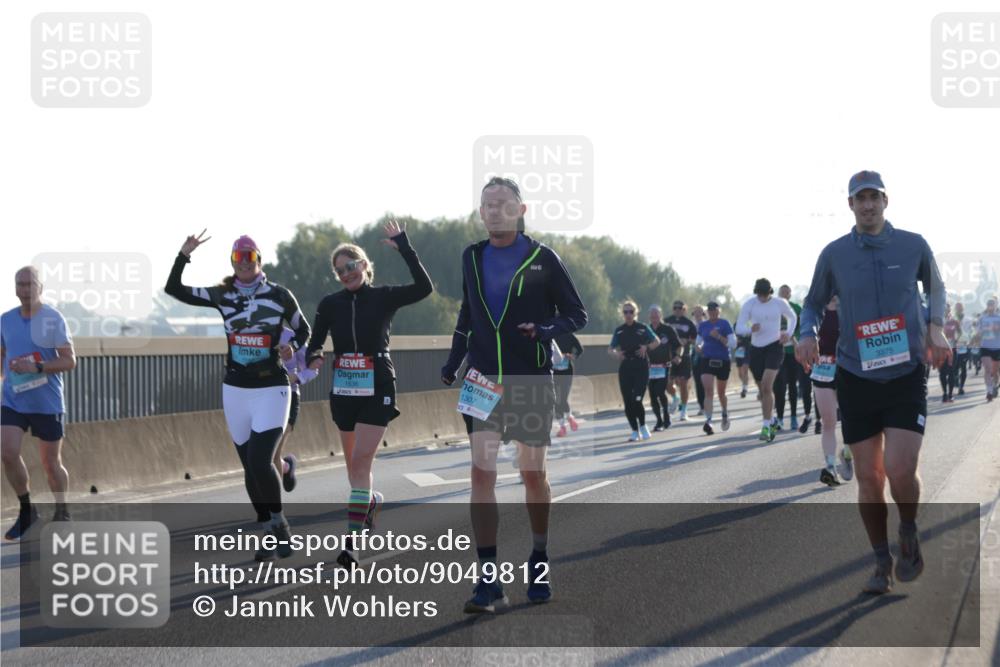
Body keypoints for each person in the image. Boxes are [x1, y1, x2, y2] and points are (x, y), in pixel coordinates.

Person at [797, 170, 951, 595]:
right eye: (860, 198)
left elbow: (937, 288)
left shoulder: (913, 245)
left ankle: (908, 529)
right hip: (856, 374)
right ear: (850, 205)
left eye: (874, 197)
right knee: (869, 477)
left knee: (901, 469)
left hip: (904, 373)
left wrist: (935, 327)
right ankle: (881, 562)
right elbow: (811, 304)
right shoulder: (834, 254)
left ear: (886, 201)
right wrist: (805, 333)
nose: (868, 205)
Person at [441, 176, 587, 613]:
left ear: (521, 210)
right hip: (482, 380)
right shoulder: (471, 256)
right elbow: (467, 314)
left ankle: (538, 559)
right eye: (486, 204)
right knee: (480, 475)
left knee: (531, 475)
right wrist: (454, 360)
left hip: (529, 379)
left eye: (503, 203)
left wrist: (544, 331)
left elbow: (576, 313)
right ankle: (489, 580)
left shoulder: (543, 259)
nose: (493, 210)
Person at [166, 231, 310, 561]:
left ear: (259, 261)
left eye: (250, 257)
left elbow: (304, 329)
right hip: (235, 389)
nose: (244, 264)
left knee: (261, 461)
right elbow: (175, 290)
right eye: (238, 258)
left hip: (272, 387)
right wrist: (183, 254)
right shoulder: (223, 294)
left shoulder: (279, 295)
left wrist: (293, 346)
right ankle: (267, 532)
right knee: (249, 467)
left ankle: (280, 524)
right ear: (232, 263)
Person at [306, 220, 433, 568]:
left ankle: (352, 544)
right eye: (339, 271)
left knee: (362, 462)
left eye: (350, 266)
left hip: (378, 385)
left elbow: (424, 288)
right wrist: (314, 356)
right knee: (354, 472)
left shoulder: (383, 296)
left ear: (364, 266)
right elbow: (314, 342)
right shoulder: (330, 304)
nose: (346, 273)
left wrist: (405, 247)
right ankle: (370, 500)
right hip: (345, 388)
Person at [1, 266, 77, 540]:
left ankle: (62, 510)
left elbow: (69, 361)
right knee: (7, 452)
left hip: (47, 402)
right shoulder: (5, 320)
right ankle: (26, 510)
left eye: (29, 284)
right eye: (19, 284)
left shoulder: (53, 319)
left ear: (40, 287)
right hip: (13, 400)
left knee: (50, 463)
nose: (24, 290)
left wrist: (37, 367)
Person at [735, 278, 797, 442]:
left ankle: (765, 426)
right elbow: (739, 327)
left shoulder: (779, 303)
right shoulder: (750, 304)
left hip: (775, 347)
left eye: (764, 295)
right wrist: (750, 329)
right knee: (763, 390)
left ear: (770, 292)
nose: (762, 298)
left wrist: (788, 334)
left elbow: (793, 317)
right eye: (759, 295)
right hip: (756, 349)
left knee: (767, 386)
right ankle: (772, 420)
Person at [809, 295, 853, 486]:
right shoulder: (814, 308)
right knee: (828, 421)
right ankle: (830, 467)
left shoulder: (851, 304)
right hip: (823, 369)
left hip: (849, 368)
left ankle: (847, 453)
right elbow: (802, 332)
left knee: (851, 418)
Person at [273, 326, 319, 492]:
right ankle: (285, 467)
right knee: (266, 455)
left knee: (272, 453)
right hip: (261, 397)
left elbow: (312, 369)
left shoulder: (291, 336)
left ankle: (273, 508)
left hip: (289, 396)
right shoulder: (255, 334)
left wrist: (296, 377)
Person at [609, 300, 660, 441]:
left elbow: (657, 341)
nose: (628, 314)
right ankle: (634, 430)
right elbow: (610, 348)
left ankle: (643, 426)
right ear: (622, 314)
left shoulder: (643, 328)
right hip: (626, 368)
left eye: (631, 311)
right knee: (628, 402)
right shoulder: (619, 330)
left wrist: (646, 347)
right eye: (625, 312)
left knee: (637, 399)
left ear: (635, 313)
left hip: (641, 367)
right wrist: (616, 354)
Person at [696, 302, 735, 435]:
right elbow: (698, 341)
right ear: (707, 312)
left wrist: (718, 336)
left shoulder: (725, 323)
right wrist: (698, 347)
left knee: (721, 393)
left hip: (723, 360)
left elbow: (733, 343)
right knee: (708, 390)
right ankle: (709, 421)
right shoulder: (703, 325)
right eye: (710, 310)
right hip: (707, 359)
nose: (712, 312)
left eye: (715, 310)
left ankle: (724, 412)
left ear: (719, 311)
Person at [647, 305, 682, 431]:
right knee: (652, 395)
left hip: (664, 366)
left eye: (656, 315)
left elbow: (679, 345)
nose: (654, 318)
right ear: (649, 317)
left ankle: (666, 417)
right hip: (650, 368)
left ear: (660, 316)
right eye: (652, 316)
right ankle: (659, 420)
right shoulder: (647, 330)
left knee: (660, 391)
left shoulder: (667, 329)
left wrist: (678, 356)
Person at [665, 301, 697, 421]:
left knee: (683, 383)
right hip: (669, 356)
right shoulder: (667, 321)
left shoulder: (689, 323)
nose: (677, 310)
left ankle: (684, 410)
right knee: (667, 383)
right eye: (675, 308)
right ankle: (675, 397)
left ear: (685, 310)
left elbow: (694, 339)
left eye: (680, 308)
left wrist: (686, 341)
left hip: (685, 356)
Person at [552, 332, 583, 437]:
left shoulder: (569, 335)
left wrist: (572, 356)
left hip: (566, 371)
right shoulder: (550, 335)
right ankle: (562, 427)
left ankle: (570, 417)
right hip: (554, 372)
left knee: (563, 397)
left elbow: (580, 349)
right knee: (556, 399)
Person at [979, 297, 1000, 401]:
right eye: (989, 304)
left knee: (995, 372)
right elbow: (978, 332)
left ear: (996, 306)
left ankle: (995, 386)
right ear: (987, 306)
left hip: (997, 347)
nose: (991, 306)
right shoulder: (982, 318)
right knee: (987, 369)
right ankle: (989, 391)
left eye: (992, 304)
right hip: (985, 346)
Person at [940, 304, 960, 403]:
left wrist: (957, 339)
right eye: (944, 308)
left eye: (947, 308)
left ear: (949, 309)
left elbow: (960, 333)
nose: (946, 310)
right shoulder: (937, 320)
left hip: (952, 349)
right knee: (942, 373)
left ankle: (950, 394)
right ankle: (944, 393)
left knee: (951, 372)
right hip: (940, 350)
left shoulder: (954, 321)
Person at [690, 305, 708, 415]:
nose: (697, 314)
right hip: (695, 355)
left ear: (703, 314)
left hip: (707, 355)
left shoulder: (707, 324)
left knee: (706, 380)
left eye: (700, 312)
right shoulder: (691, 325)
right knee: (698, 381)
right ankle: (701, 405)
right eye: (695, 312)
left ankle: (707, 403)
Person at [953, 301, 973, 395]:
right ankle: (956, 379)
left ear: (963, 308)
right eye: (957, 307)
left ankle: (961, 387)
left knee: (963, 367)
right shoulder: (952, 319)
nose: (959, 309)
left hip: (965, 345)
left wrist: (970, 342)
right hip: (954, 346)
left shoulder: (968, 319)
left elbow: (971, 332)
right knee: (955, 367)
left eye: (960, 307)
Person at [734, 333, 751, 398]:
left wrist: (745, 338)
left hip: (747, 349)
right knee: (740, 374)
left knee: (745, 370)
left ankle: (744, 389)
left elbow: (751, 332)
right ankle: (745, 383)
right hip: (738, 350)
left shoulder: (749, 322)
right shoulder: (736, 325)